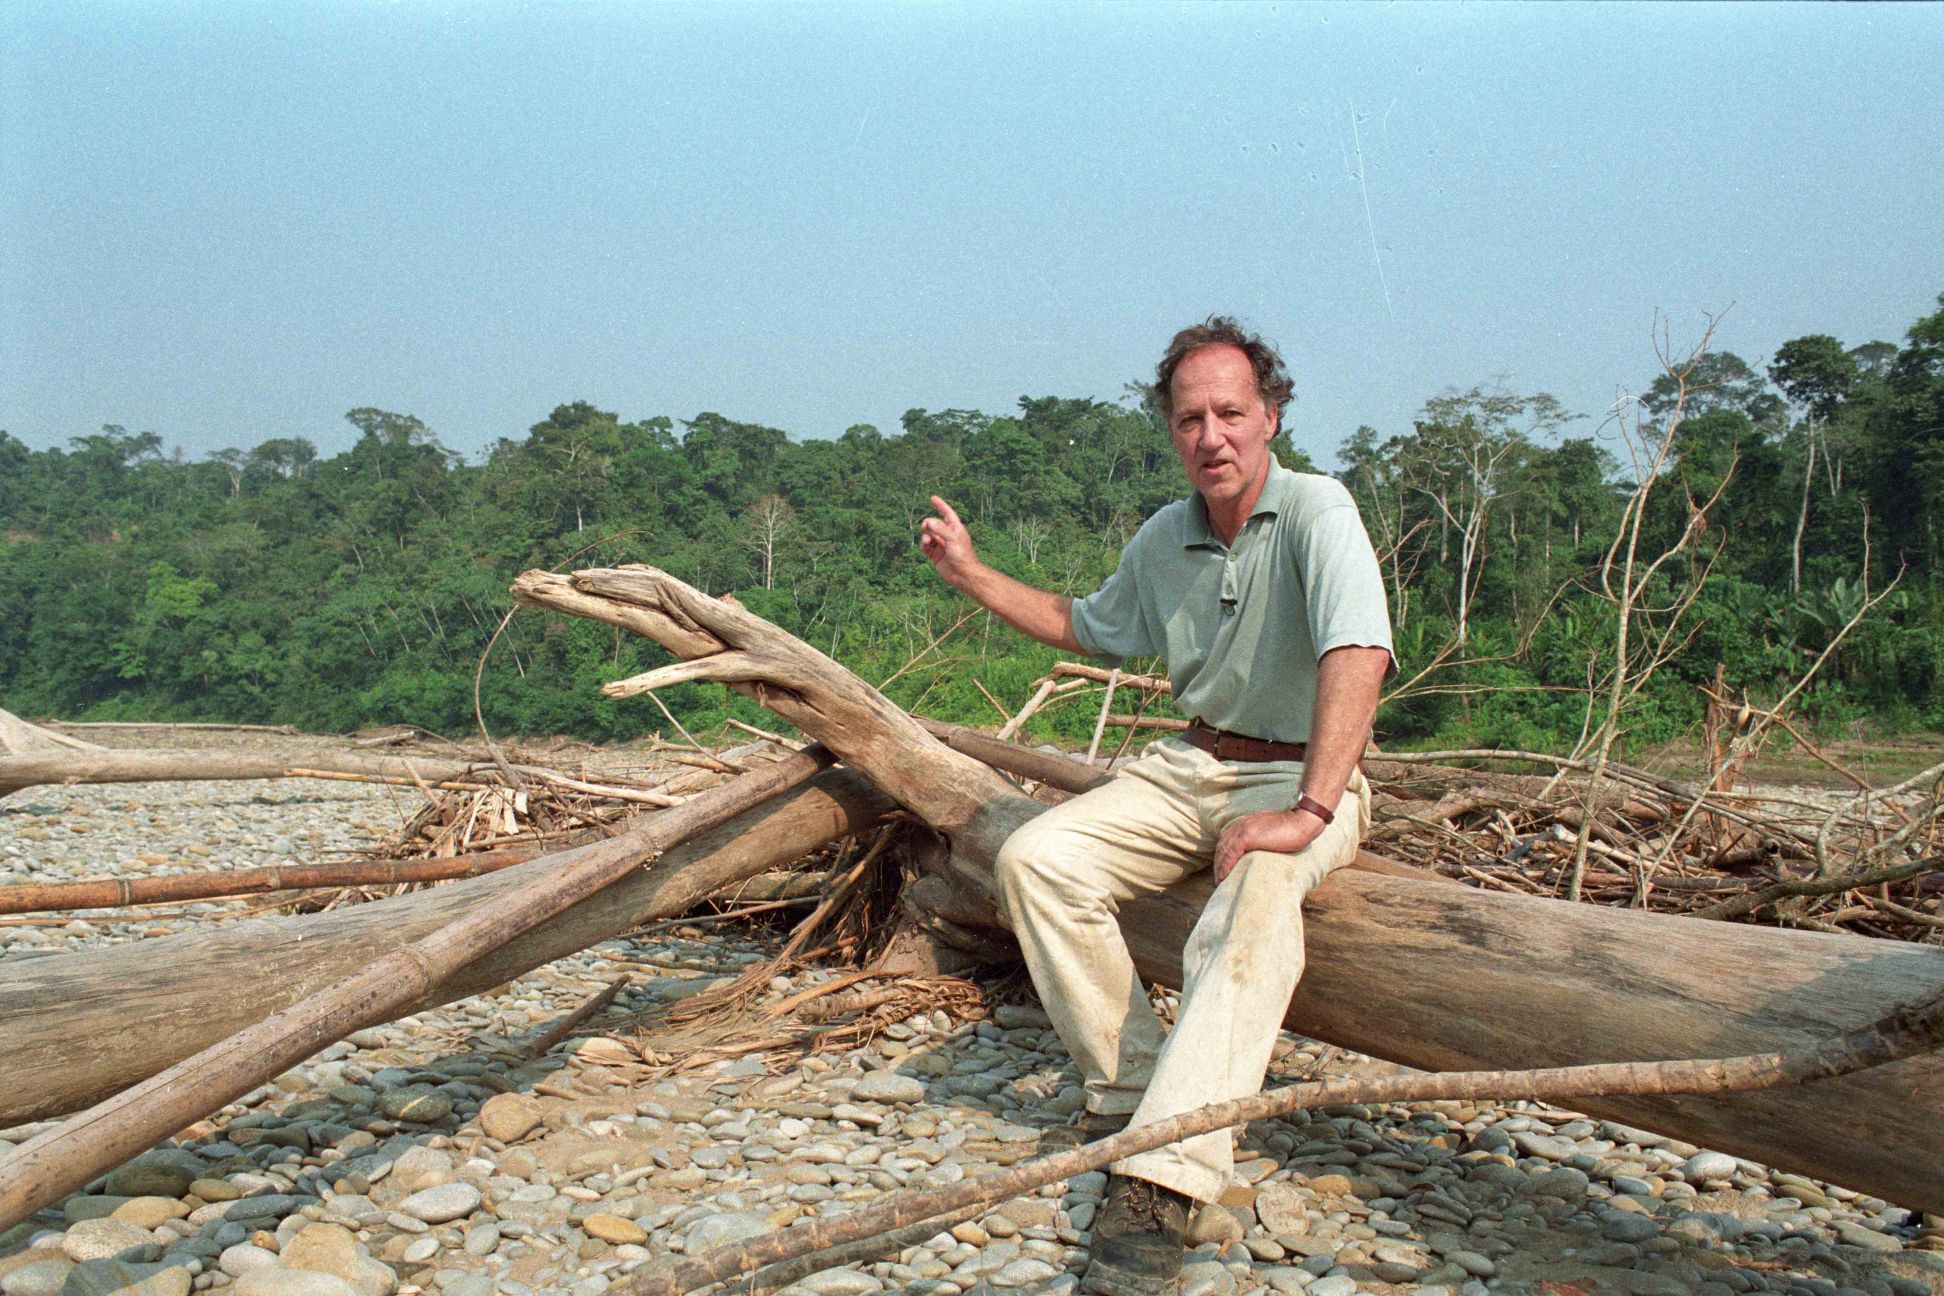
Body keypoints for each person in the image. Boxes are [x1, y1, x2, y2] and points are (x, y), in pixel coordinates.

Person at [918, 316, 1394, 1295]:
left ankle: (1163, 1182)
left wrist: (1309, 808)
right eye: (1189, 418)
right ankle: (1136, 1093)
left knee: (1256, 904)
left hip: (1302, 771)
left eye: (1230, 412)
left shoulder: (1317, 510)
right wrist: (970, 576)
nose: (1211, 435)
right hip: (1190, 768)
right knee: (1037, 861)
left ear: (1270, 415)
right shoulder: (1164, 538)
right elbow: (1082, 624)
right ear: (1171, 431)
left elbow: (1359, 650)